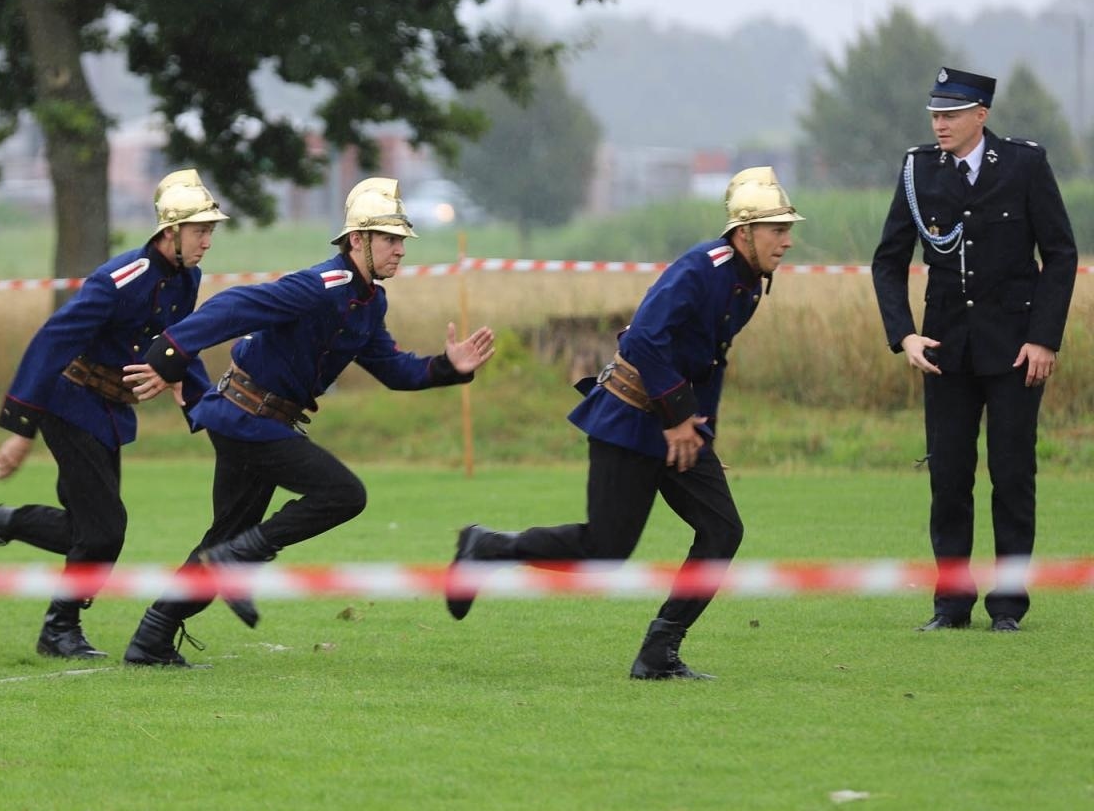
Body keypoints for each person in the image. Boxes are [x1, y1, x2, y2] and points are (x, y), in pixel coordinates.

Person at [119, 177, 497, 667]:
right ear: (357, 240)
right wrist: (169, 353)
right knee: (343, 495)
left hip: (250, 421)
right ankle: (239, 559)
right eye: (390, 239)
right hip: (246, 418)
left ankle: (150, 639)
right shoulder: (323, 286)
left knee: (225, 539)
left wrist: (448, 367)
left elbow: (394, 370)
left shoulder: (369, 301)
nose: (401, 250)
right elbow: (235, 305)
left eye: (402, 240)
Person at [447, 167, 804, 680]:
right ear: (743, 232)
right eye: (777, 230)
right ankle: (488, 547)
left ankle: (659, 652)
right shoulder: (701, 267)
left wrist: (701, 433)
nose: (787, 241)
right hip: (630, 420)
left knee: (722, 531)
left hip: (678, 427)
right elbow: (641, 341)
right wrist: (681, 418)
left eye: (789, 229)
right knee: (606, 550)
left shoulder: (750, 283)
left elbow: (710, 363)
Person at [0, 169, 227, 659]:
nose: (208, 241)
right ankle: (58, 627)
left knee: (91, 529)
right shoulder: (118, 279)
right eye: (200, 231)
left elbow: (179, 343)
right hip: (68, 403)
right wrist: (21, 428)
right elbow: (51, 342)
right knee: (105, 529)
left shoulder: (187, 278)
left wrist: (206, 407)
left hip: (108, 412)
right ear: (169, 232)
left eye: (211, 230)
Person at [871, 67, 1077, 633]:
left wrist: (1043, 337)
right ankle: (951, 606)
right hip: (945, 351)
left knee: (1012, 478)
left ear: (980, 116)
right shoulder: (918, 170)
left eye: (951, 115)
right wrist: (905, 335)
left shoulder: (1023, 165)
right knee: (950, 478)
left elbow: (1060, 254)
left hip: (1015, 351)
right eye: (935, 115)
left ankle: (1008, 607)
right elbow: (888, 260)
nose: (939, 124)